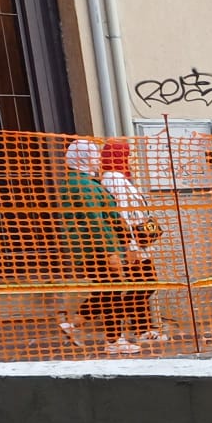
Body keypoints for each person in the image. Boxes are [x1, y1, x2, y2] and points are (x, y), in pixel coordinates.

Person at [58, 138, 137, 355]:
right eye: (92, 155)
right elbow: (96, 221)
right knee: (113, 292)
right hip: (97, 250)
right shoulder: (83, 186)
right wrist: (111, 251)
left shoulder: (81, 182)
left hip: (93, 249)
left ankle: (73, 322)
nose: (97, 159)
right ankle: (113, 340)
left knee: (105, 292)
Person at [98, 138, 167, 345]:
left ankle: (141, 328)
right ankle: (128, 324)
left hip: (137, 242)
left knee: (144, 283)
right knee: (146, 283)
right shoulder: (113, 179)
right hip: (132, 244)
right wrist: (132, 245)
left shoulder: (121, 177)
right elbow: (123, 214)